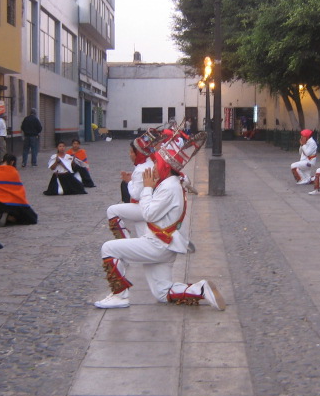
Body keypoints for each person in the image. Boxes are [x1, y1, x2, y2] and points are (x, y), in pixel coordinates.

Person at [94, 131, 225, 311]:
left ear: (164, 166)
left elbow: (148, 214)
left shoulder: (169, 187)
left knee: (108, 248)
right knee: (162, 293)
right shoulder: (171, 182)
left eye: (156, 162)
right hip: (165, 245)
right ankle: (200, 289)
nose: (153, 166)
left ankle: (119, 296)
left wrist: (147, 188)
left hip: (158, 245)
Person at [0, 153, 38, 227]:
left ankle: (0, 214)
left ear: (2, 160)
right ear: (12, 162)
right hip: (12, 205)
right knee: (32, 218)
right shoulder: (13, 172)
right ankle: (9, 216)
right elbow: (19, 189)